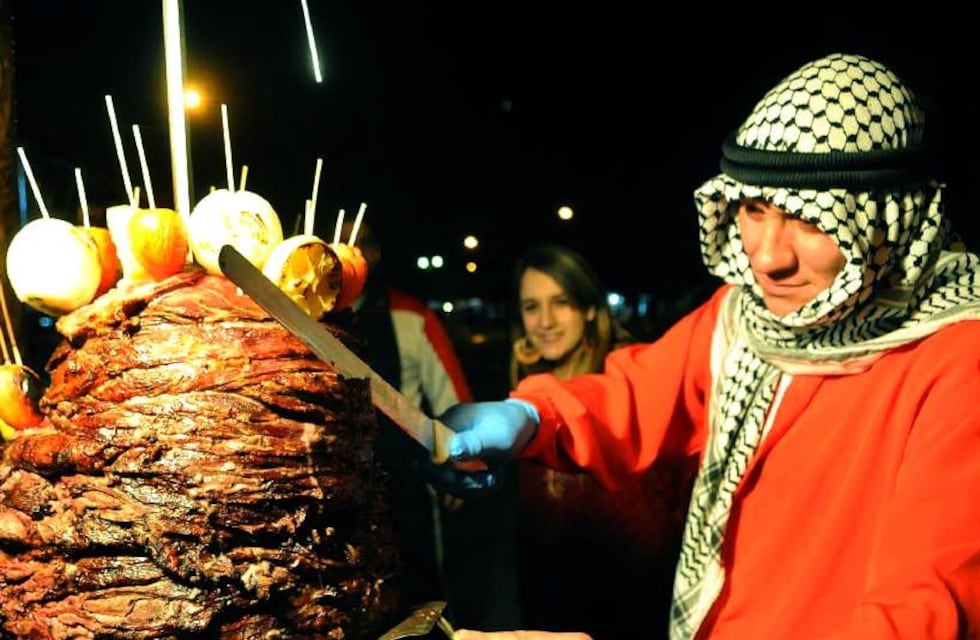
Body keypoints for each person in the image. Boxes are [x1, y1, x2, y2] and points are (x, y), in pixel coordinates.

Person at [430, 52, 980, 639]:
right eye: (753, 209)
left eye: (811, 221)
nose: (768, 256)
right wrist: (533, 415)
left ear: (886, 224)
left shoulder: (958, 357)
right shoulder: (743, 316)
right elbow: (637, 395)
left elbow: (929, 608)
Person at [508, 243, 695, 639]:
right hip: (552, 608)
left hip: (636, 607)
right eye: (531, 307)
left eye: (561, 302)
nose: (544, 321)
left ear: (590, 308)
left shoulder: (632, 385)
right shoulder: (523, 399)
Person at [340, 218, 475, 622]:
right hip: (336, 488)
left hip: (406, 483)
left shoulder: (411, 315)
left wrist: (461, 456)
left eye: (361, 243)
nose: (352, 251)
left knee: (420, 599)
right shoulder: (306, 317)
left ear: (375, 253)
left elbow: (453, 398)